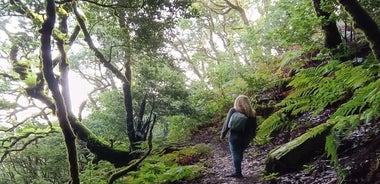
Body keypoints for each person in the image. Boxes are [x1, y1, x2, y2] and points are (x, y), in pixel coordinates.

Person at [220, 95, 257, 178]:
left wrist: (223, 134)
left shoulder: (233, 110)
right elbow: (254, 127)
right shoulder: (252, 113)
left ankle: (238, 173)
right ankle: (238, 170)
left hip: (235, 136)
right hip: (246, 137)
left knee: (235, 154)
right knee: (239, 153)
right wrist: (253, 136)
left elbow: (226, 124)